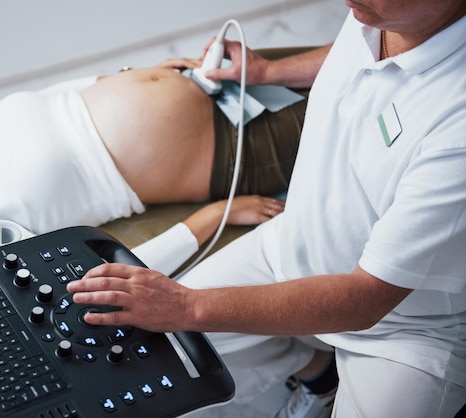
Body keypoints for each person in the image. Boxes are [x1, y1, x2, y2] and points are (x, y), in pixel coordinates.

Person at [67, 1, 466, 417]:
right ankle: (317, 371)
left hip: (402, 334)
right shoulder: (382, 15)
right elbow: (354, 47)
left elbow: (368, 298)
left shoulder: (457, 125)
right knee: (143, 375)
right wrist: (270, 72)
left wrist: (185, 306)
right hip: (288, 249)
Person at [0, 60, 305, 272]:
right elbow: (108, 273)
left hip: (214, 83)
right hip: (236, 147)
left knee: (364, 43)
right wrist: (215, 216)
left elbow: (51, 100)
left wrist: (134, 76)